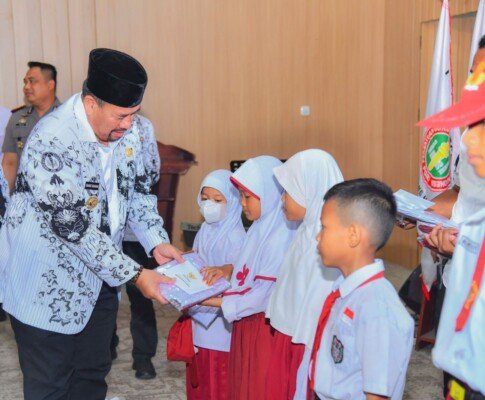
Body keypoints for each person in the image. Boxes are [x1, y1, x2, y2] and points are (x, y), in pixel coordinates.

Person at [0, 48, 182, 400]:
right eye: (121, 116)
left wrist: (156, 241)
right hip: (45, 286)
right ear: (90, 104)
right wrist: (136, 275)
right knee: (51, 386)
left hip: (100, 282)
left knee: (91, 378)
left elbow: (138, 192)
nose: (128, 125)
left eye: (134, 114)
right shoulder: (52, 138)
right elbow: (72, 225)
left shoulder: (132, 132)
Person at [203, 155, 298, 400]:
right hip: (246, 322)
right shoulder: (259, 226)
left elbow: (263, 294)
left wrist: (212, 301)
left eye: (248, 197)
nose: (242, 204)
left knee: (259, 387)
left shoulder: (280, 235)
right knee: (242, 385)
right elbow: (250, 269)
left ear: (269, 194)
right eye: (241, 196)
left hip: (263, 327)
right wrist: (229, 269)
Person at [310, 178, 414, 400]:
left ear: (353, 235)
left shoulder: (377, 309)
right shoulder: (348, 289)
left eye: (324, 227)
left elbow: (377, 395)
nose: (318, 236)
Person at [418, 61, 485, 399]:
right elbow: (460, 193)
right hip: (460, 285)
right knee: (455, 386)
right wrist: (422, 213)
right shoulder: (473, 152)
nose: (468, 138)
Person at [264, 149, 344, 400]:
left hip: (306, 343)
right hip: (288, 335)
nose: (282, 199)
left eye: (287, 192)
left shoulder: (325, 241)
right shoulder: (305, 230)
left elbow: (317, 308)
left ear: (309, 190)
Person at [186, 169, 246, 400]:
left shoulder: (236, 235)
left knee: (219, 373)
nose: (209, 205)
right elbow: (197, 258)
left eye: (218, 200)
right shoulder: (204, 229)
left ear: (232, 202)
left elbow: (240, 274)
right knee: (201, 366)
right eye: (205, 198)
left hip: (222, 317)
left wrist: (225, 269)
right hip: (201, 309)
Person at [111, 114, 163, 379]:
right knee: (104, 295)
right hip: (103, 233)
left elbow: (152, 171)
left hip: (135, 230)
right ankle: (106, 346)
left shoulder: (143, 126)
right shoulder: (89, 122)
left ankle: (143, 357)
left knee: (141, 294)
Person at [1, 61, 61, 191]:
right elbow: (10, 163)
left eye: (32, 81)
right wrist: (6, 198)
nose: (26, 87)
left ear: (50, 85)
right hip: (25, 195)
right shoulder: (16, 118)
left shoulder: (68, 117)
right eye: (25, 82)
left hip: (60, 192)